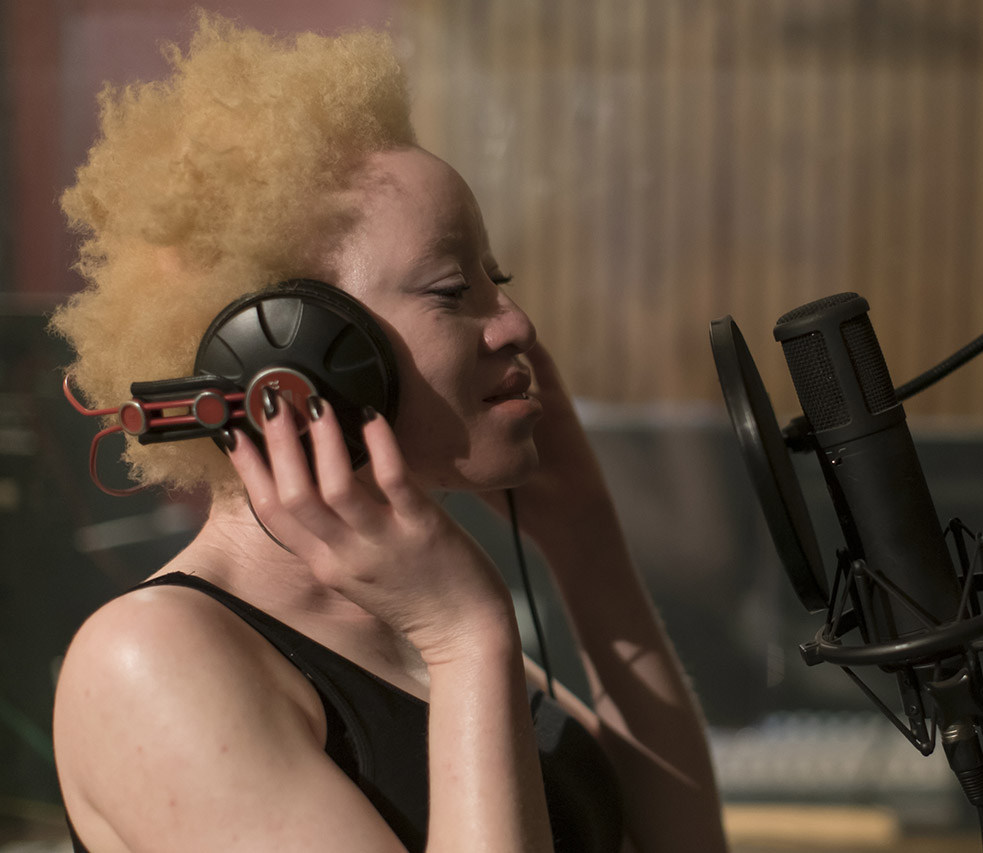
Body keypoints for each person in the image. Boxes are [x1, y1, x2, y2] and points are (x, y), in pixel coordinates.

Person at [50, 13, 728, 853]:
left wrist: (586, 541)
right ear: (293, 350)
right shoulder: (152, 660)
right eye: (453, 290)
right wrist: (468, 635)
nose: (517, 323)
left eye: (499, 278)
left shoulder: (405, 613)